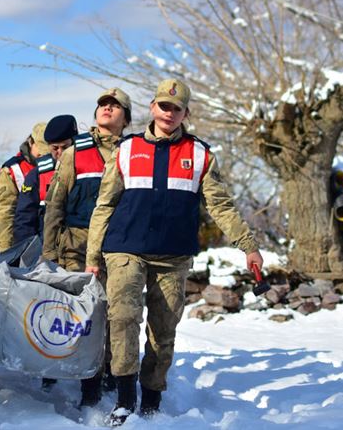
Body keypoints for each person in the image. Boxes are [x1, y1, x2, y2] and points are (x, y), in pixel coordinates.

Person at [85, 79, 263, 426]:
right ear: (152, 107)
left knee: (163, 330)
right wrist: (93, 256)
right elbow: (104, 205)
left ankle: (151, 398)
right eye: (163, 106)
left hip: (172, 257)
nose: (169, 113)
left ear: (185, 113)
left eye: (176, 108)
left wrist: (249, 246)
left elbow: (221, 206)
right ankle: (124, 400)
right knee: (122, 319)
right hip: (125, 249)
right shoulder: (126, 149)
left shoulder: (201, 155)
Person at [42, 88, 131, 407]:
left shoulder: (135, 152)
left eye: (115, 105)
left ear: (126, 116)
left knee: (112, 318)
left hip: (119, 249)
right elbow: (55, 205)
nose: (107, 109)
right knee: (78, 319)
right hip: (75, 249)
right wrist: (49, 254)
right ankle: (76, 379)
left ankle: (105, 376)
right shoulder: (74, 152)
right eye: (102, 105)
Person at [12, 114, 78, 245]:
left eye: (65, 147)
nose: (60, 152)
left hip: (80, 249)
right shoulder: (37, 175)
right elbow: (25, 220)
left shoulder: (87, 172)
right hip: (46, 251)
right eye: (55, 148)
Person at [0, 123, 50, 252]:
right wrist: (6, 251)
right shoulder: (12, 169)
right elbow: (5, 212)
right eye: (40, 150)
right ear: (31, 142)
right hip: (21, 239)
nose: (44, 155)